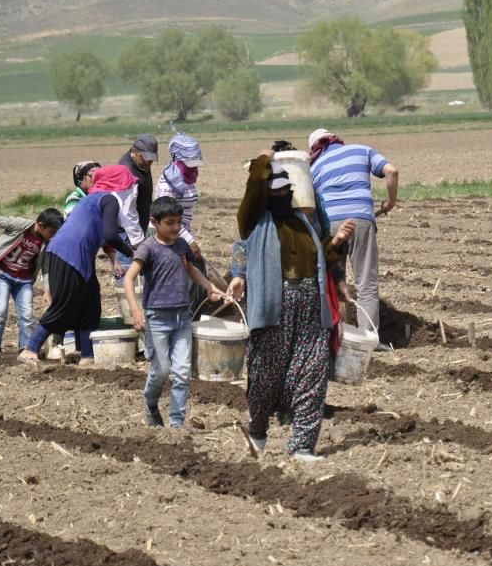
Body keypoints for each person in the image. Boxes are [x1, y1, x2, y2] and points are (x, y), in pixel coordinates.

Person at [227, 151, 355, 462]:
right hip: (275, 306)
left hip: (311, 304)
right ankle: (257, 429)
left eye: (288, 190)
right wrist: (262, 162)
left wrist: (337, 241)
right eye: (277, 192)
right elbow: (253, 193)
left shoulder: (303, 222)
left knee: (312, 370)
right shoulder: (255, 221)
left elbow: (322, 257)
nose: (284, 195)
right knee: (265, 373)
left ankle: (301, 445)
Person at [18, 165, 138, 366]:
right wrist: (132, 253)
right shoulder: (109, 199)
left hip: (77, 256)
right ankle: (30, 349)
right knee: (65, 305)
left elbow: (101, 233)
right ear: (119, 185)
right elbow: (110, 234)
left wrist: (116, 255)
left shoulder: (93, 198)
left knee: (90, 305)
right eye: (129, 186)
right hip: (68, 255)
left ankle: (87, 356)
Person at [124, 196, 225, 430]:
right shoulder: (148, 248)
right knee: (161, 370)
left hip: (182, 318)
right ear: (154, 222)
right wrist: (136, 311)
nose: (176, 227)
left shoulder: (181, 245)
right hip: (157, 318)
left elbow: (191, 270)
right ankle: (150, 404)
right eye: (170, 222)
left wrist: (210, 287)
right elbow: (129, 279)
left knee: (181, 373)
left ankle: (177, 423)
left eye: (179, 222)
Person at [308, 128, 398, 343]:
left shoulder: (314, 167)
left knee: (334, 279)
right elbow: (392, 171)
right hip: (361, 219)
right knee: (366, 281)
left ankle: (338, 339)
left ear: (315, 149)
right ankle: (368, 340)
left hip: (331, 224)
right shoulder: (362, 150)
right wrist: (391, 201)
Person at [0, 208, 63, 368]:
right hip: (3, 275)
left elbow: (46, 269)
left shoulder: (46, 243)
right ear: (40, 225)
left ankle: (25, 351)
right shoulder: (21, 225)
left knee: (27, 316)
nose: (53, 235)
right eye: (51, 232)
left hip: (24, 280)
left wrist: (47, 291)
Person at [155, 134, 209, 304]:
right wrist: (188, 241)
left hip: (183, 232)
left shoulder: (188, 176)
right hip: (169, 235)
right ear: (177, 158)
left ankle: (193, 315)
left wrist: (189, 238)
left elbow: (184, 215)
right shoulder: (168, 184)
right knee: (185, 276)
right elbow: (167, 220)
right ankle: (187, 316)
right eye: (189, 162)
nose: (193, 168)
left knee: (196, 273)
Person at [119, 134, 158, 235]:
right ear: (134, 151)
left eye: (151, 159)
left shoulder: (142, 163)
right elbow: (127, 212)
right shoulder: (126, 172)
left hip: (142, 222)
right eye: (144, 157)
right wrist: (137, 239)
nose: (148, 162)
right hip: (127, 230)